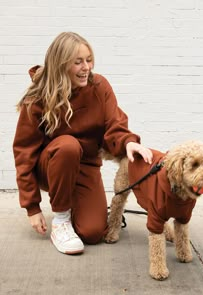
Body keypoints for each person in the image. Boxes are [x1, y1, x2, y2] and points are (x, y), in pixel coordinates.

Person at [13, 32, 153, 255]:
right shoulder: (38, 98)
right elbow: (23, 153)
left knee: (93, 233)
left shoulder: (99, 87)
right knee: (68, 145)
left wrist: (128, 142)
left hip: (85, 166)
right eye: (77, 62)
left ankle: (78, 209)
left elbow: (114, 122)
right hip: (51, 165)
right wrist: (32, 207)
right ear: (60, 65)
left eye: (88, 60)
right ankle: (60, 220)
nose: (86, 67)